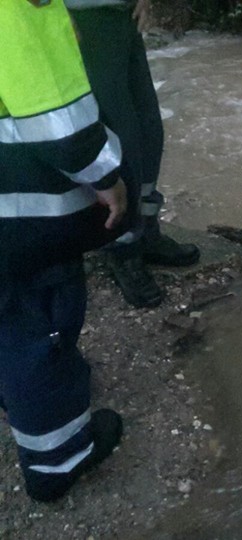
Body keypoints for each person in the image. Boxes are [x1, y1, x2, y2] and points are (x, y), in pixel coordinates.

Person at [0, 0, 126, 502]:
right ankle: (58, 461)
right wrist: (105, 174)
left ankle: (13, 392)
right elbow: (56, 114)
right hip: (16, 210)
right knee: (37, 321)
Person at [67, 0, 200, 309]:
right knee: (120, 134)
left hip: (122, 16)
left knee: (148, 128)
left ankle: (147, 231)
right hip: (84, 19)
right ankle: (122, 248)